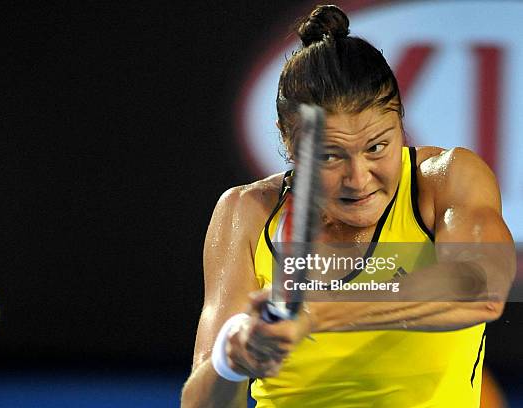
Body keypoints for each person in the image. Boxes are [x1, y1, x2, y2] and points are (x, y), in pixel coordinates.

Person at [180, 4, 514, 407]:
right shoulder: (245, 212)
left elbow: (481, 285)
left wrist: (317, 313)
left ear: (401, 123)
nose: (358, 179)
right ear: (288, 142)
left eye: (377, 147)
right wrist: (230, 358)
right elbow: (202, 402)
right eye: (330, 156)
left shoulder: (446, 178)